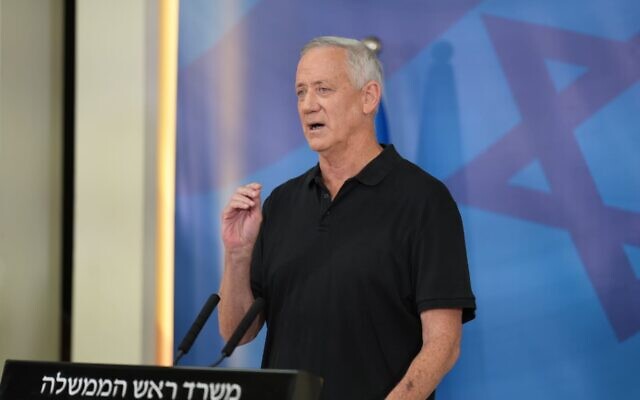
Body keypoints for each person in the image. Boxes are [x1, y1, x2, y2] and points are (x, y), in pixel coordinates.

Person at [218, 36, 476, 400]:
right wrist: (238, 255)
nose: (308, 106)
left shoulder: (424, 201)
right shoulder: (281, 203)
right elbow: (236, 334)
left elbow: (443, 344)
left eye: (323, 89)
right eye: (301, 92)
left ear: (369, 98)